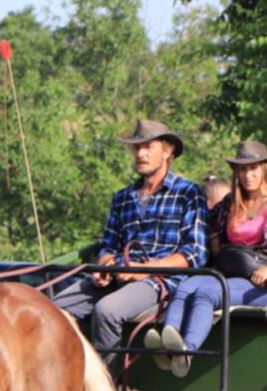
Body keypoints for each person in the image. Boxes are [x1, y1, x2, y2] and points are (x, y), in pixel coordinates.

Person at [150, 141, 267, 377]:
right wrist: (213, 237)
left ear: (265, 169)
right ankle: (168, 344)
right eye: (242, 169)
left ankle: (186, 351)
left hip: (263, 282)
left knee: (207, 293)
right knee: (185, 287)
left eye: (253, 168)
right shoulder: (231, 202)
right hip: (230, 274)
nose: (248, 175)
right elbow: (205, 219)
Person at [55, 119, 207, 361]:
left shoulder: (188, 193)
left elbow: (195, 253)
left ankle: (108, 383)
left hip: (161, 281)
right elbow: (108, 245)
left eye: (148, 147)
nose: (140, 154)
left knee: (107, 311)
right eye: (136, 148)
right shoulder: (122, 197)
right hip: (119, 275)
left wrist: (144, 270)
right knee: (53, 309)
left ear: (167, 152)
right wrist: (104, 266)